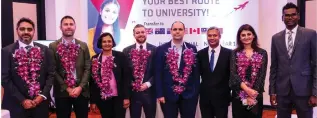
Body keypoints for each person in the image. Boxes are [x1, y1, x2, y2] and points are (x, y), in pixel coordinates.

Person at [269, 2, 317, 118]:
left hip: (304, 90)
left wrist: (315, 92)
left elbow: (316, 64)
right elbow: (274, 66)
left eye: (293, 14)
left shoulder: (310, 34)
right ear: (282, 18)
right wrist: (272, 91)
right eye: (287, 15)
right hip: (282, 90)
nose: (290, 17)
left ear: (298, 16)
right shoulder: (276, 38)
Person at [1, 17, 54, 118]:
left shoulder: (45, 50)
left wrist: (42, 96)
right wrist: (22, 100)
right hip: (16, 104)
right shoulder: (6, 51)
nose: (26, 32)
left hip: (40, 104)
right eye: (22, 29)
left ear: (34, 31)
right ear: (17, 30)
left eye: (29, 29)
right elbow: (5, 79)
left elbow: (51, 75)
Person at [155, 21, 200, 118]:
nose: (177, 32)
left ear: (184, 31)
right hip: (168, 96)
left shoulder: (192, 48)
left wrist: (195, 94)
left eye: (180, 29)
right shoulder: (162, 49)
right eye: (175, 29)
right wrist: (160, 94)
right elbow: (158, 73)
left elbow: (196, 74)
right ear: (171, 31)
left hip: (189, 95)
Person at [49, 16, 91, 118]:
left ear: (75, 27)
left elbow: (88, 68)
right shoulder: (53, 46)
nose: (68, 27)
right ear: (60, 27)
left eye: (71, 24)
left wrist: (80, 87)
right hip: (62, 92)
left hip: (81, 91)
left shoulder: (83, 45)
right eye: (65, 24)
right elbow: (53, 69)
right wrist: (67, 88)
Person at [229, 24, 268, 118]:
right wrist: (247, 90)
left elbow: (262, 75)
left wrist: (252, 94)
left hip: (255, 95)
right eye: (243, 35)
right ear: (240, 38)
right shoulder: (234, 53)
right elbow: (234, 75)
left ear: (253, 35)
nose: (246, 37)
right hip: (239, 95)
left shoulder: (262, 52)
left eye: (249, 34)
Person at [89, 32, 131, 118]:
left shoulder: (120, 56)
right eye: (104, 42)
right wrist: (93, 101)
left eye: (109, 41)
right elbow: (92, 81)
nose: (107, 44)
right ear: (100, 43)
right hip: (103, 98)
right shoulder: (95, 58)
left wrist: (126, 97)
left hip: (119, 97)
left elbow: (126, 77)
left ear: (112, 43)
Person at [122, 24, 157, 118]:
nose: (140, 34)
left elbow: (157, 71)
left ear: (146, 33)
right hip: (133, 95)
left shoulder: (155, 50)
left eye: (142, 32)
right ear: (134, 35)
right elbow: (125, 74)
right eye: (137, 32)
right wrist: (132, 84)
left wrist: (148, 84)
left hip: (150, 93)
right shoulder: (126, 51)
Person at [197, 26, 231, 118]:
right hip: (205, 98)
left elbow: (232, 76)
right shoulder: (200, 54)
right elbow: (196, 75)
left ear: (219, 37)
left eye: (215, 35)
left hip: (222, 98)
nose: (212, 38)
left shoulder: (229, 54)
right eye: (209, 35)